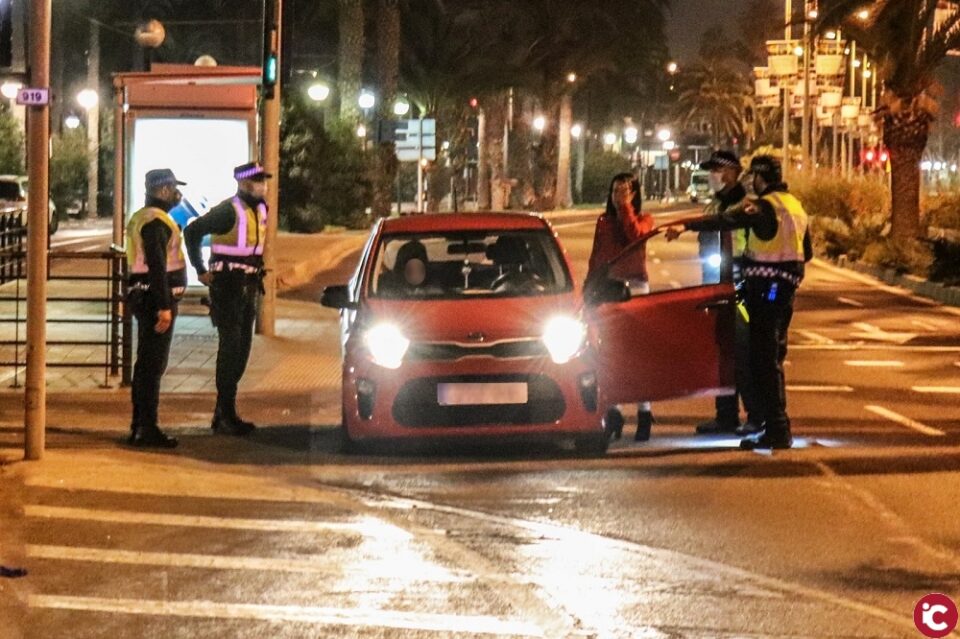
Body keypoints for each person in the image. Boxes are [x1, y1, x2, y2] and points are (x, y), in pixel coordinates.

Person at [666, 155, 811, 450]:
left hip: (766, 291)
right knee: (771, 357)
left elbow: (727, 219)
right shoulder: (795, 206)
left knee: (762, 357)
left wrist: (685, 225)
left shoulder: (762, 205)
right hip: (784, 290)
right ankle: (773, 426)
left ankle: (776, 428)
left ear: (758, 177)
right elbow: (806, 252)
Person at [184, 162, 270, 436]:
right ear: (243, 184)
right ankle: (224, 414)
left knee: (242, 350)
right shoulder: (227, 210)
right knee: (230, 348)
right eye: (257, 181)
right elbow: (192, 231)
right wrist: (200, 270)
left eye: (263, 180)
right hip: (228, 287)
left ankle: (225, 411)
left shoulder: (260, 209)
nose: (262, 185)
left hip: (249, 286)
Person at [692, 151, 762, 437]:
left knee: (744, 354)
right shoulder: (715, 206)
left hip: (741, 288)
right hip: (716, 288)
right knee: (721, 353)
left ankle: (756, 416)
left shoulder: (745, 206)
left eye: (718, 170)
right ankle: (726, 415)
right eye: (711, 171)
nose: (714, 176)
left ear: (734, 172)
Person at [586, 173, 655, 441]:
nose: (619, 195)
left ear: (635, 194)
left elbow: (634, 236)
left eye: (625, 191)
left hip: (635, 288)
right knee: (610, 353)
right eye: (615, 191)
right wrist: (589, 287)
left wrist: (626, 208)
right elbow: (597, 257)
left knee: (636, 354)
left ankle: (645, 413)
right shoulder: (603, 221)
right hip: (608, 288)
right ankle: (613, 413)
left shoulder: (645, 219)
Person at [125, 168, 188, 448]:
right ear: (163, 190)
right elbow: (157, 267)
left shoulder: (146, 217)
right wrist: (164, 306)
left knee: (146, 365)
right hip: (154, 301)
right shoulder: (156, 222)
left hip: (145, 298)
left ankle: (140, 424)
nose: (178, 193)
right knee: (152, 366)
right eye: (174, 187)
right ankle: (146, 428)